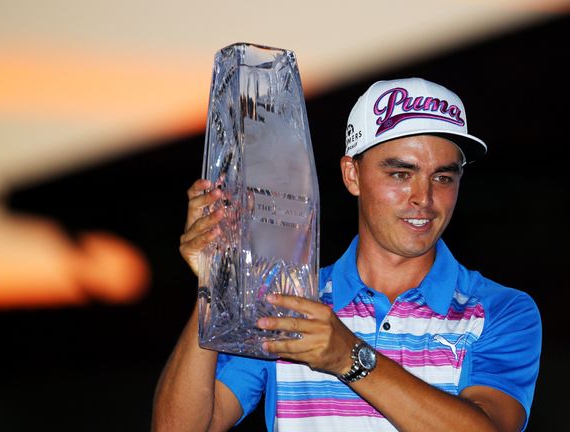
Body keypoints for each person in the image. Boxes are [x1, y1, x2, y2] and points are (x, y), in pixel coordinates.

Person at [153, 78, 542, 432]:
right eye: (400, 174)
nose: (424, 199)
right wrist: (213, 284)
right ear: (351, 175)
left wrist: (350, 357)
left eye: (443, 177)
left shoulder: (501, 309)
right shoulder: (283, 301)